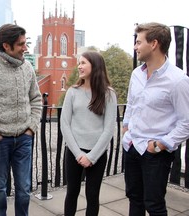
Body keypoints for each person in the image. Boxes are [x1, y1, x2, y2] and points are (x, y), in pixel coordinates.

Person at [0, 23, 42, 216]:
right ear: (6, 46)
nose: (25, 48)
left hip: (24, 139)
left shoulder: (27, 67)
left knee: (24, 188)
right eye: (20, 44)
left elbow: (36, 98)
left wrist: (32, 128)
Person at [122, 22, 189, 216]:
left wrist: (160, 145)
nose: (135, 46)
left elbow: (186, 123)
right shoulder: (136, 74)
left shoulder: (178, 80)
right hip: (132, 147)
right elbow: (131, 104)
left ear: (154, 44)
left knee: (154, 205)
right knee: (134, 199)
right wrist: (126, 129)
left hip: (155, 154)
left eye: (138, 42)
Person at [60, 51, 117, 216]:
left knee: (92, 196)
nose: (79, 66)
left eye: (83, 63)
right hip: (73, 153)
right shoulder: (72, 91)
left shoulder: (109, 94)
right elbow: (64, 123)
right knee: (71, 193)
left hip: (97, 155)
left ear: (95, 66)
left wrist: (91, 157)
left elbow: (108, 129)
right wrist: (78, 154)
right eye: (79, 63)